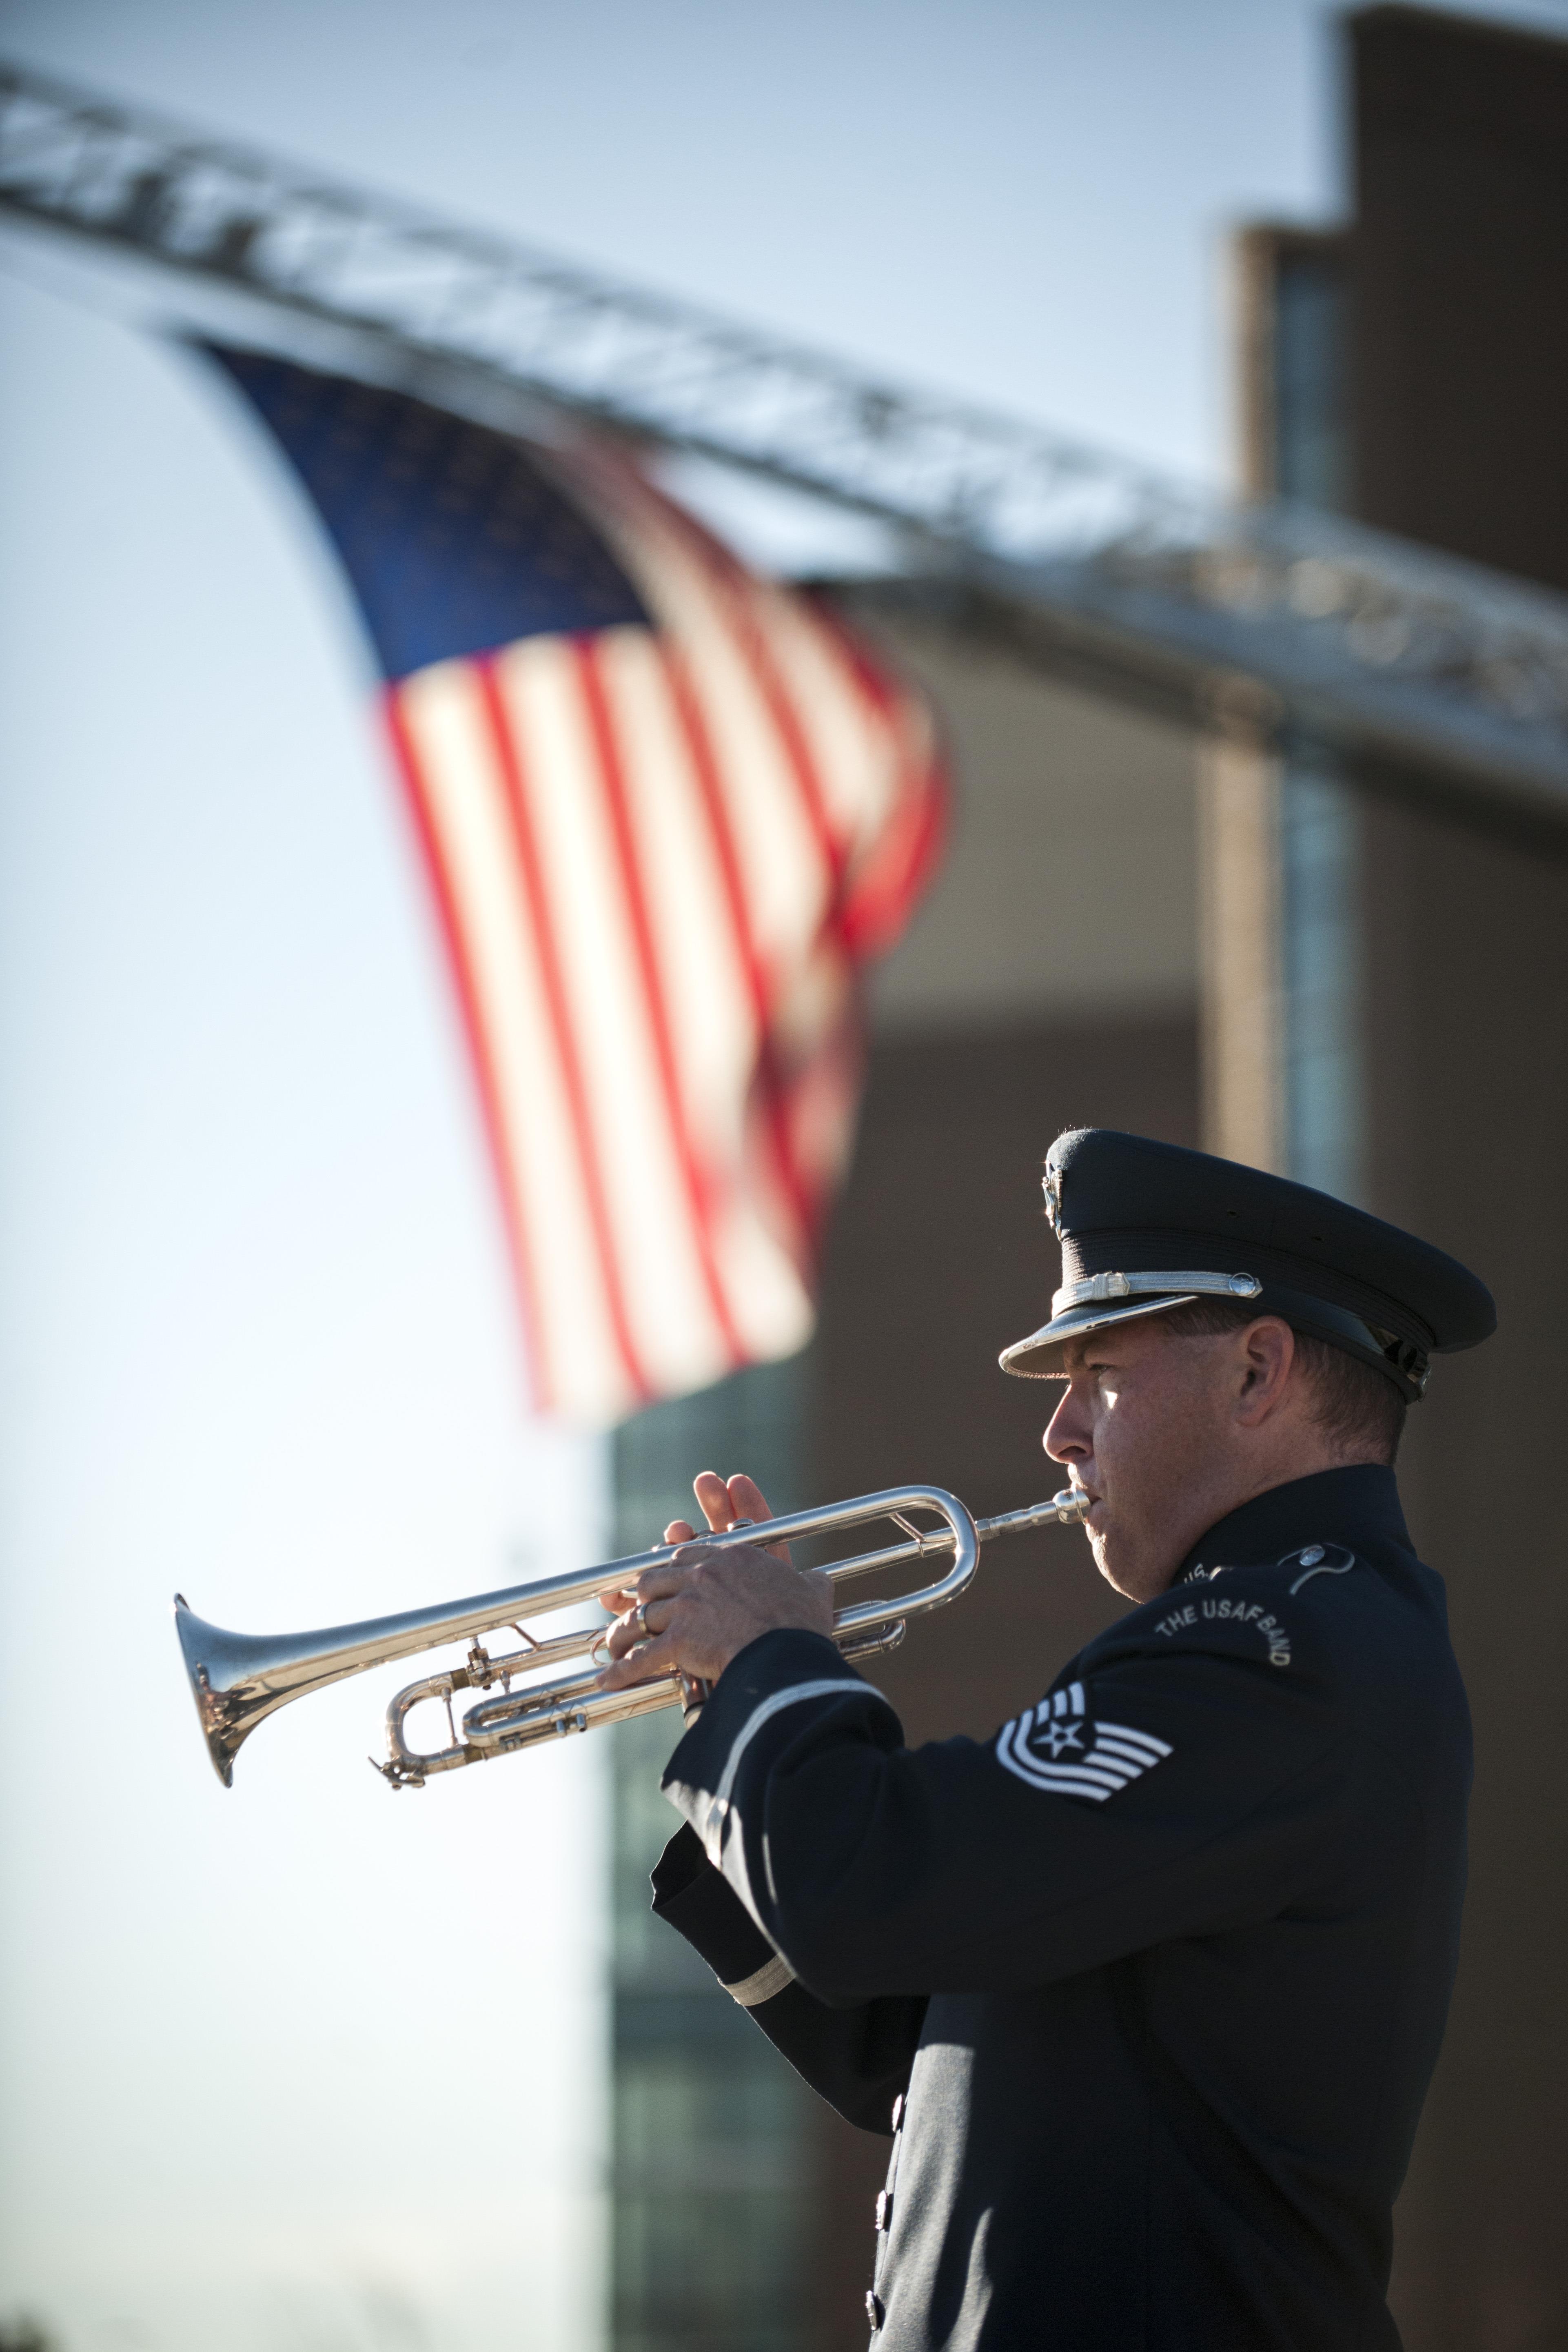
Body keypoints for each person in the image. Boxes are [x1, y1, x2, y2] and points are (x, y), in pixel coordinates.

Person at [595, 1127, 1495, 2351]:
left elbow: (874, 1895)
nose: (1058, 1434)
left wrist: (769, 1666)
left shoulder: (1275, 1646)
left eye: (1098, 1371)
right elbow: (916, 2045)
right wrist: (734, 1698)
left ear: (1256, 1372)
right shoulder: (1285, 1636)